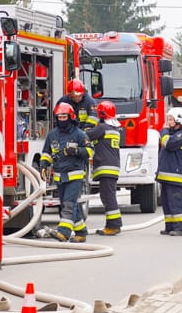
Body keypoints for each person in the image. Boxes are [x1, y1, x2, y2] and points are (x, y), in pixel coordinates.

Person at [40, 102, 93, 243]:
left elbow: (90, 151)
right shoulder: (52, 135)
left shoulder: (79, 134)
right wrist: (43, 165)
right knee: (68, 204)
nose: (62, 119)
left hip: (75, 176)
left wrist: (76, 151)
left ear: (71, 117)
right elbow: (46, 152)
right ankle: (81, 232)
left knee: (69, 203)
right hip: (59, 177)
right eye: (59, 117)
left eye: (64, 116)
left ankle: (64, 232)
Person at [88, 101, 123, 236]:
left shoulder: (102, 128)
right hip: (112, 167)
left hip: (106, 167)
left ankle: (114, 225)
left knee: (108, 197)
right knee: (108, 196)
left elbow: (87, 136)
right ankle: (112, 224)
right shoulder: (114, 128)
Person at [157, 108, 182, 236]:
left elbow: (168, 143)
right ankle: (170, 226)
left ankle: (181, 228)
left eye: (171, 120)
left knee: (176, 201)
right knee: (166, 202)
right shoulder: (172, 134)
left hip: (174, 175)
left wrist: (164, 131)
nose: (168, 122)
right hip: (167, 175)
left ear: (178, 120)